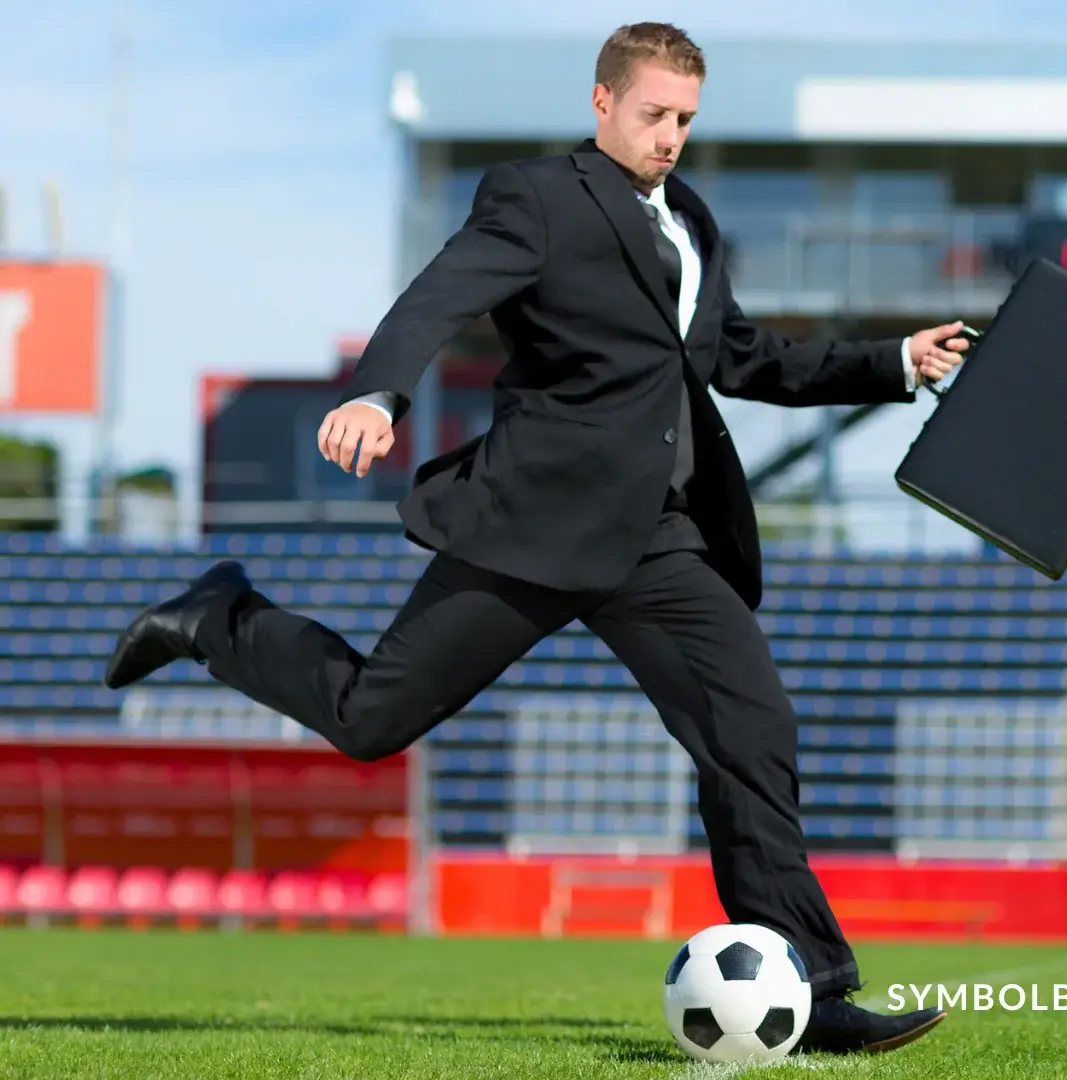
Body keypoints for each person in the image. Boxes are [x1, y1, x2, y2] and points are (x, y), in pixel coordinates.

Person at [101, 22, 967, 1057]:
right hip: (531, 528)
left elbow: (738, 358)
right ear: (601, 102)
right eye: (652, 114)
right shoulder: (536, 197)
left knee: (752, 728)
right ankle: (217, 618)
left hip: (658, 541)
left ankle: (809, 987)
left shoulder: (689, 219)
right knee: (372, 718)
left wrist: (893, 361)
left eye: (686, 118)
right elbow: (441, 294)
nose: (670, 137)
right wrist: (380, 390)